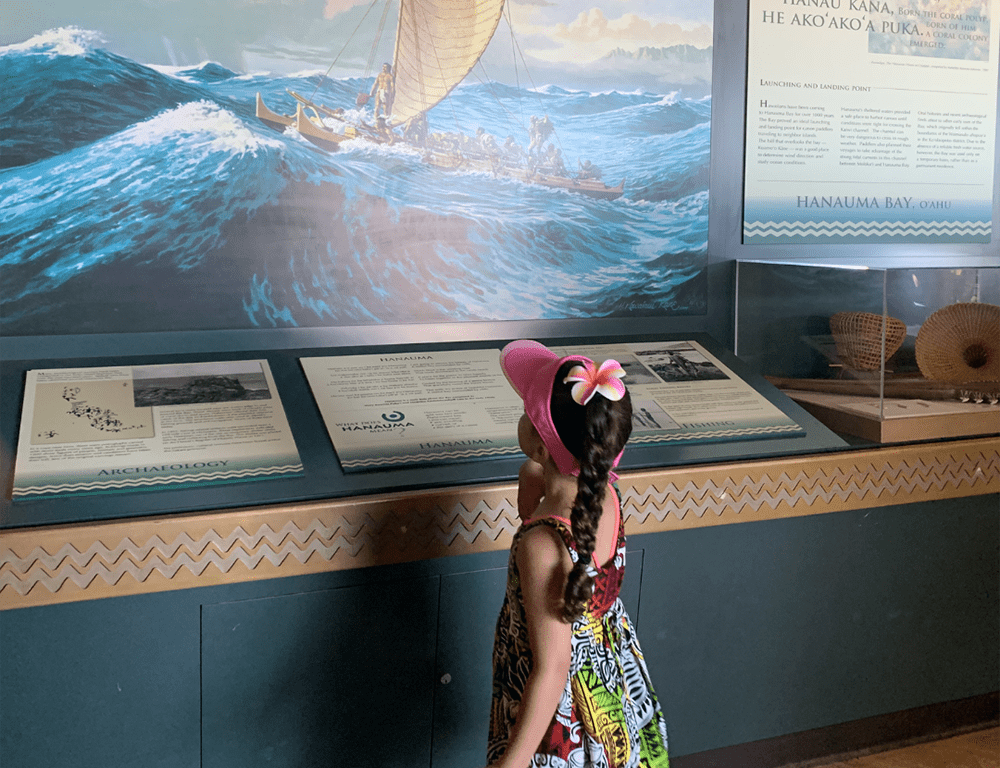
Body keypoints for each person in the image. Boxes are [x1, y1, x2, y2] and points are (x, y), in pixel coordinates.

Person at [486, 340, 670, 768]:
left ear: (537, 441)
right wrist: (538, 464)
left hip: (560, 717)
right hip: (611, 686)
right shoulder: (604, 495)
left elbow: (551, 672)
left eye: (526, 413)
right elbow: (537, 489)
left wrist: (510, 763)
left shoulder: (541, 545)